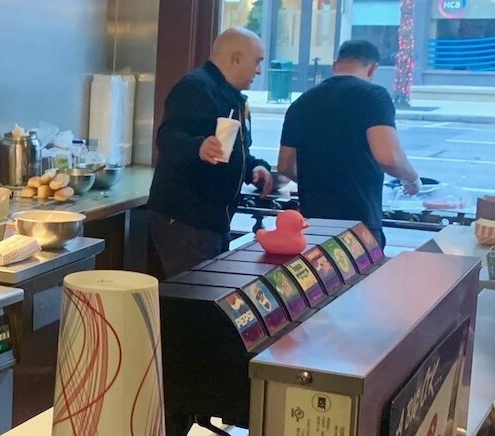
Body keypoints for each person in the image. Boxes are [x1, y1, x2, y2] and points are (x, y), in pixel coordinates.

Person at [146, 28, 274, 279]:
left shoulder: (232, 97)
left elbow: (234, 149)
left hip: (213, 219)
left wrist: (253, 168)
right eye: (257, 61)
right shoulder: (195, 88)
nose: (259, 70)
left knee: (207, 296)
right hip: (186, 219)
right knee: (194, 300)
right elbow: (168, 137)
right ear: (236, 59)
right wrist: (198, 146)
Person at [276, 39, 419, 243]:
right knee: (362, 275)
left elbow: (284, 165)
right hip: (358, 224)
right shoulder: (373, 96)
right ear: (372, 69)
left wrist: (317, 180)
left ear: (335, 65)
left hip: (312, 222)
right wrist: (412, 179)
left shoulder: (302, 102)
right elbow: (388, 157)